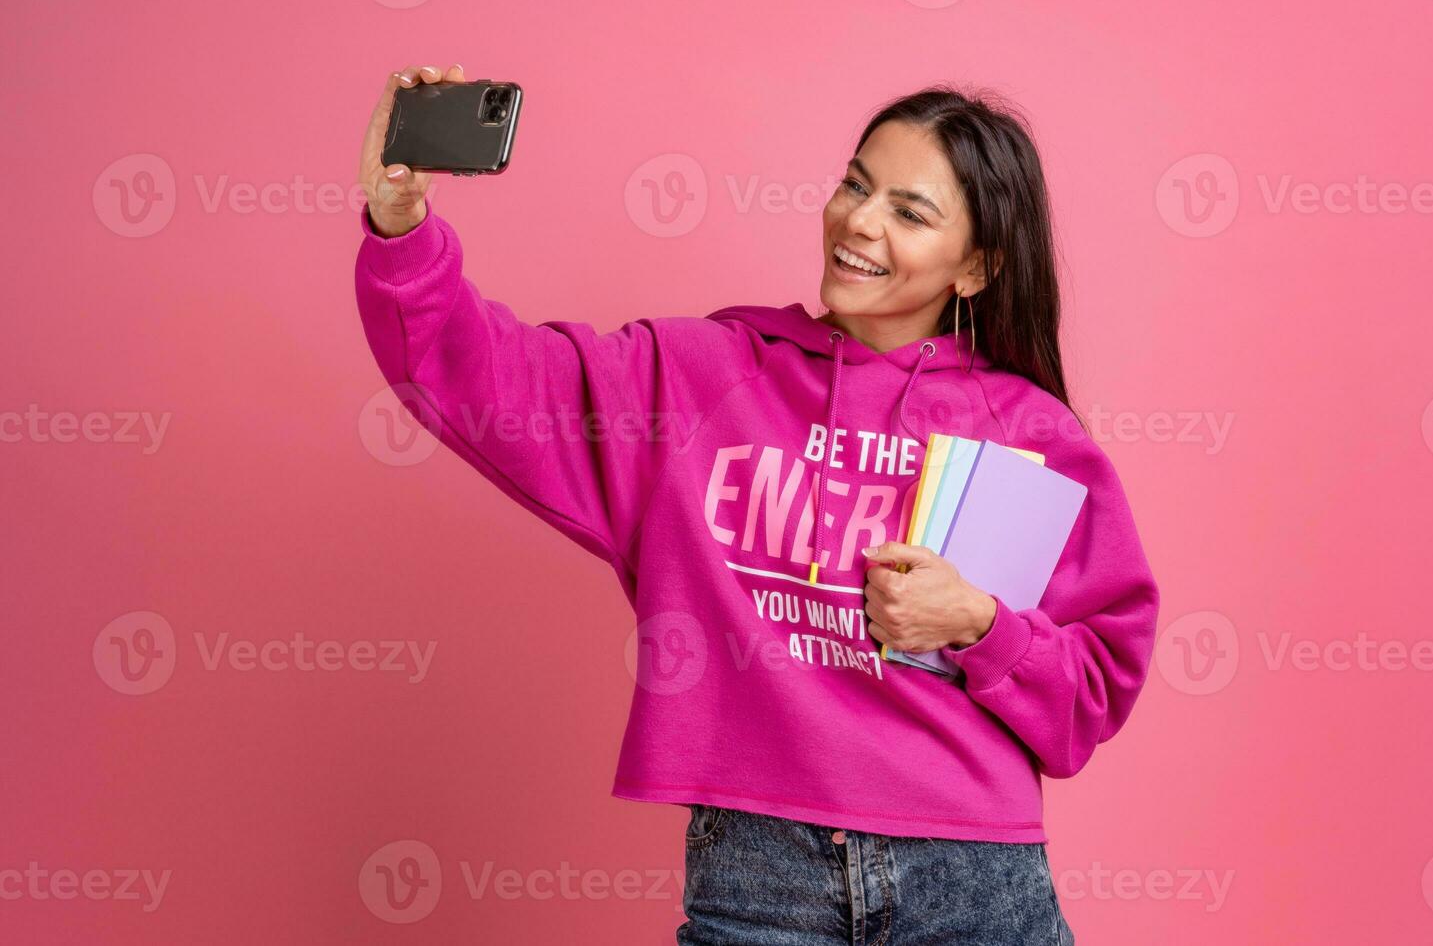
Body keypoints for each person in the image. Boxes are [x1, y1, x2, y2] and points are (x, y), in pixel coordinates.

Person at [355, 63, 1160, 945]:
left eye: (909, 211)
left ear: (977, 267)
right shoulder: (701, 381)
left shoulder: (1027, 434)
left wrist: (978, 622)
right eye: (856, 185)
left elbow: (1093, 691)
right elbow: (481, 378)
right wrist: (403, 229)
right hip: (761, 876)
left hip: (971, 876)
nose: (859, 220)